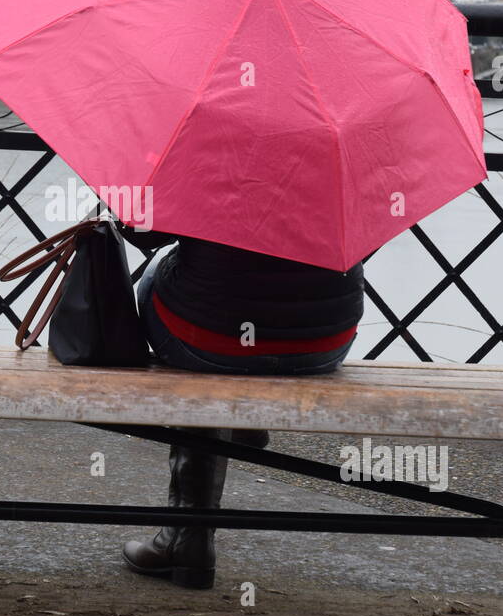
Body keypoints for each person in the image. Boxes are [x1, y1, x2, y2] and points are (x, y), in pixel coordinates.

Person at [117, 224, 364, 589]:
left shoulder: (208, 164)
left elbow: (144, 232)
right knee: (231, 313)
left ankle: (188, 540)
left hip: (212, 341)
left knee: (163, 283)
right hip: (322, 341)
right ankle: (245, 416)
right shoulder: (340, 169)